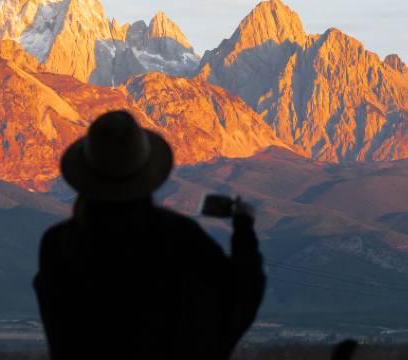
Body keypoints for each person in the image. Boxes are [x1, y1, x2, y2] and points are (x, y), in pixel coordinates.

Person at [33, 111, 266, 359]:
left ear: (86, 174)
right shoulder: (179, 237)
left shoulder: (58, 244)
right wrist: (243, 229)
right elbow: (240, 296)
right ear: (147, 171)